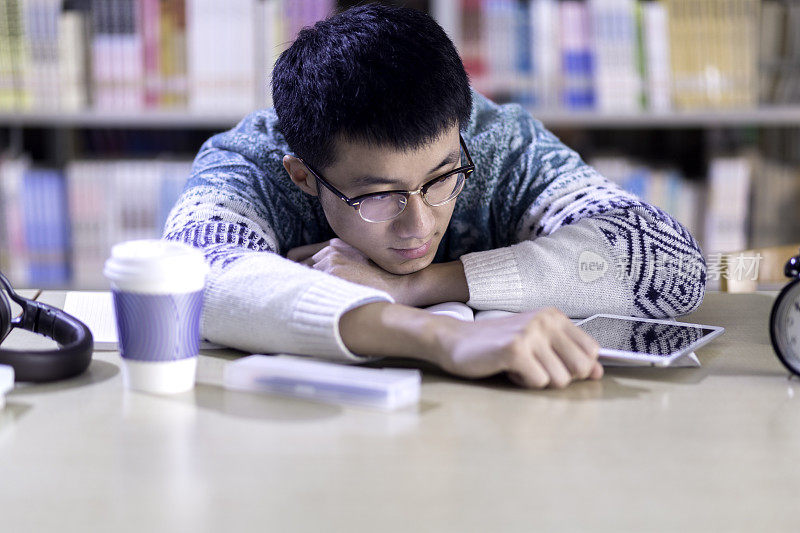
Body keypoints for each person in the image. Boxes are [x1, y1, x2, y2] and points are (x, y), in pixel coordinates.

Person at [163, 4, 706, 389]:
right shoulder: (248, 160)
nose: (418, 225)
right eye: (378, 195)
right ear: (304, 176)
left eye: (442, 178)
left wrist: (415, 287)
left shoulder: (502, 143)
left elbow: (672, 263)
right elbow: (188, 277)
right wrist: (439, 338)